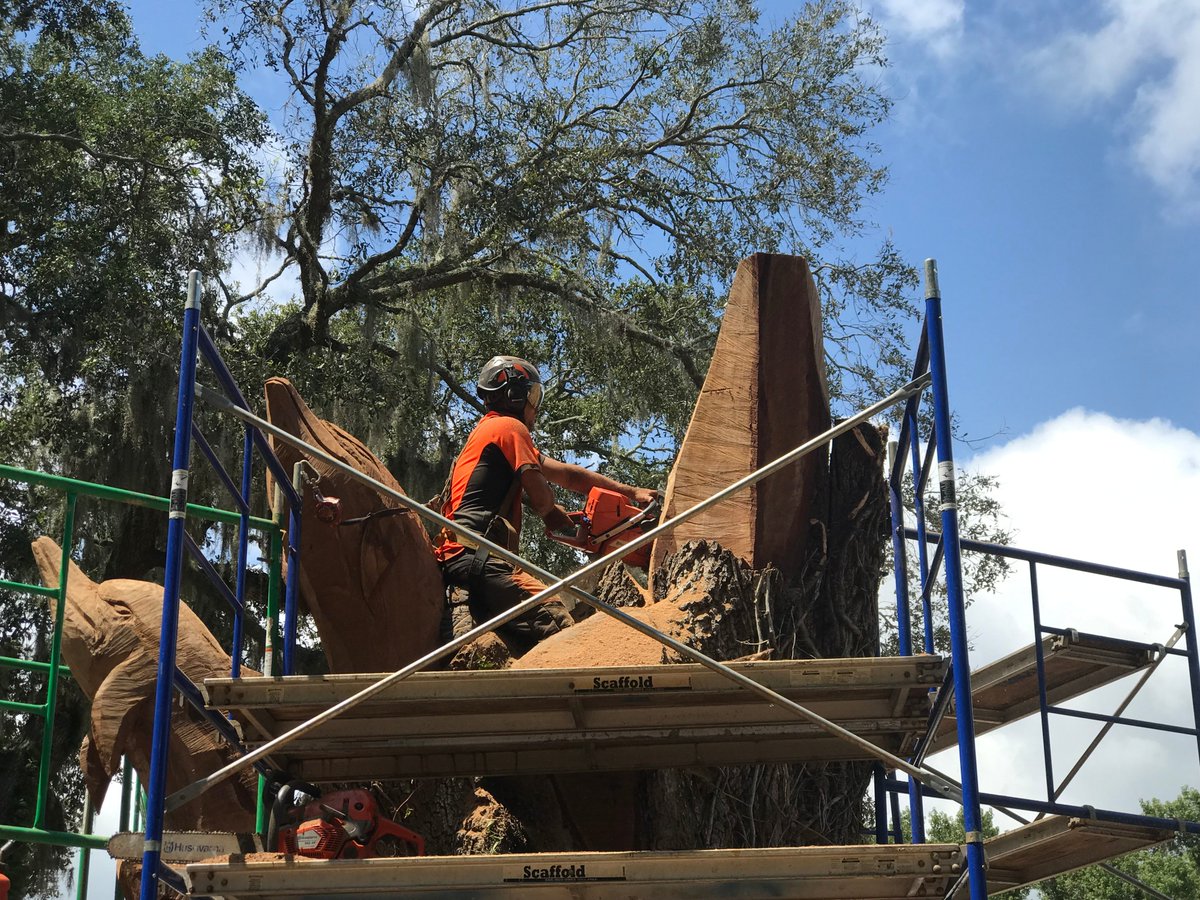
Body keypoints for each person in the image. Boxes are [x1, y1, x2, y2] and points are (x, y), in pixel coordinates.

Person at [435, 355, 658, 655]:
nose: (535, 406)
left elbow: (569, 476)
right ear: (515, 395)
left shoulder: (492, 433)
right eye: (533, 395)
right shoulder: (510, 428)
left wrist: (632, 492)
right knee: (558, 621)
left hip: (463, 557)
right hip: (479, 558)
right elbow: (541, 496)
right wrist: (552, 513)